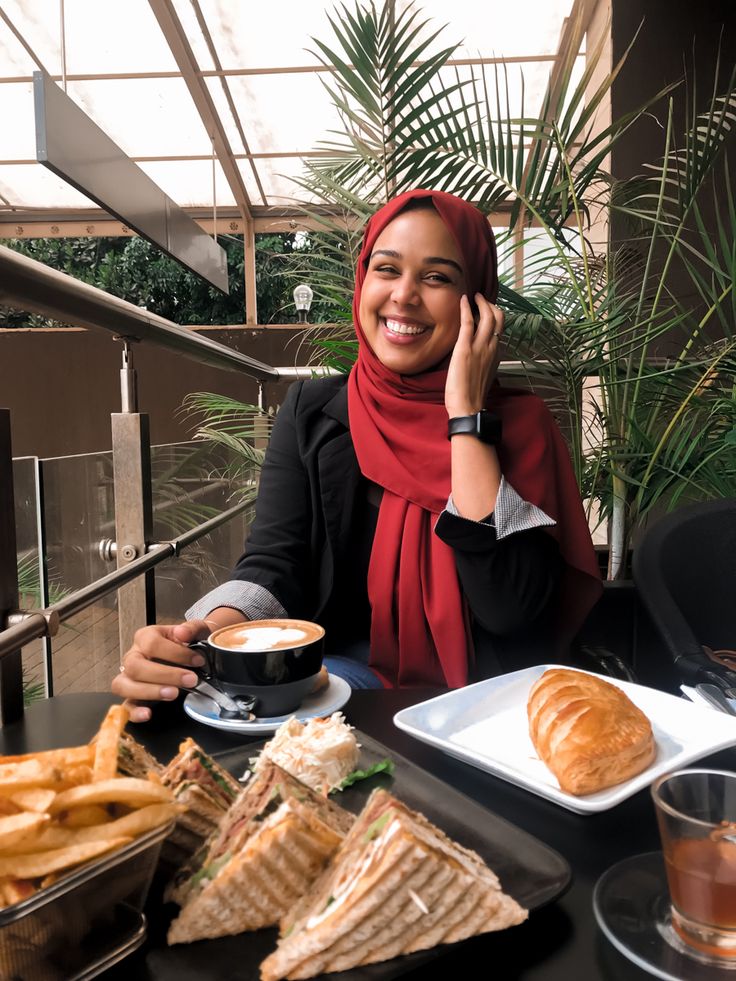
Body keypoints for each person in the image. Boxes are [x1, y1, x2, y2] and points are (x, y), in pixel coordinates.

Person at [112, 189, 601, 721]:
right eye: (386, 269)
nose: (405, 295)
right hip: (343, 681)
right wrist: (208, 633)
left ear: (477, 301)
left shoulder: (521, 426)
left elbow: (509, 610)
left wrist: (466, 417)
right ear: (363, 281)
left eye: (437, 277)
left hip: (489, 702)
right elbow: (276, 562)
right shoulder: (315, 411)